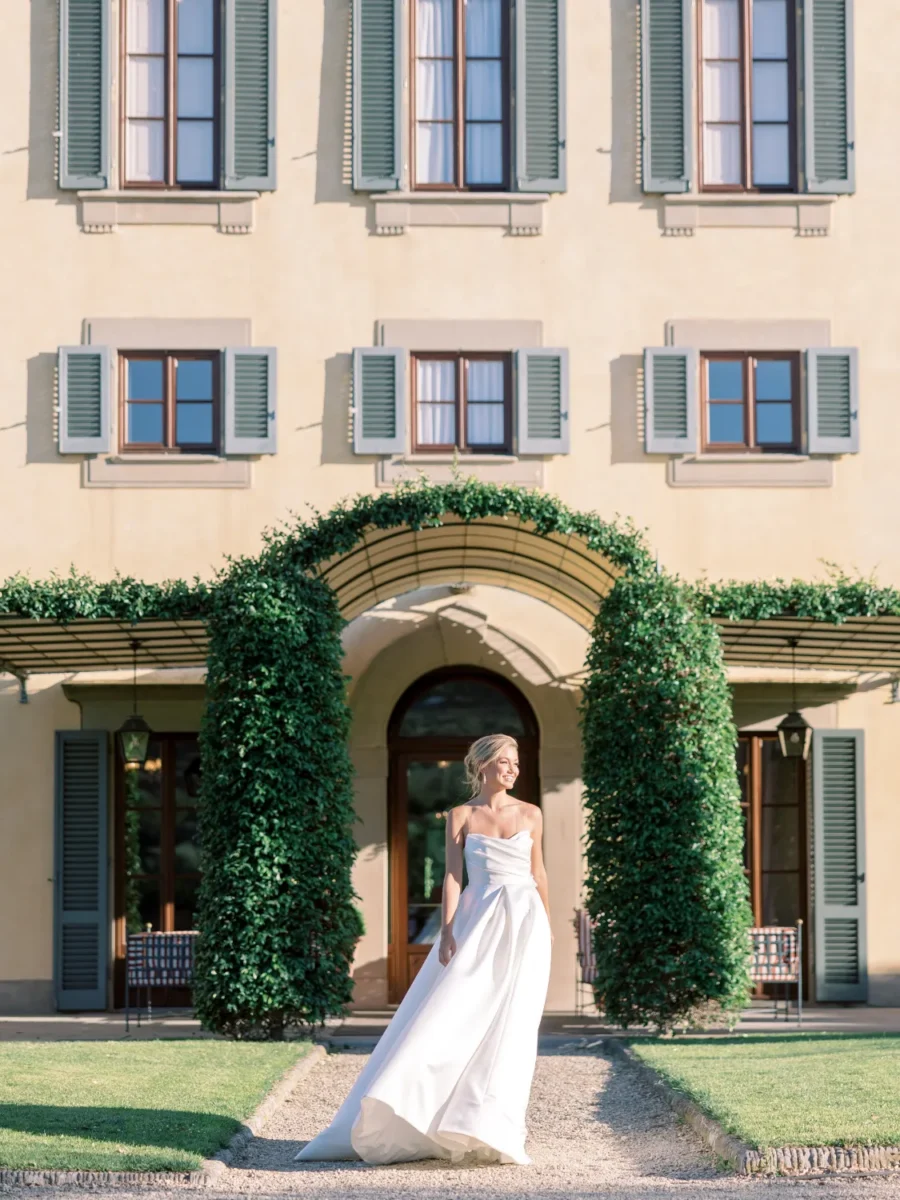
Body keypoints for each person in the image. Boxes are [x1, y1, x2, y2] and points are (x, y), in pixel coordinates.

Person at [295, 733, 552, 1166]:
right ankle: (417, 1110)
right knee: (453, 1013)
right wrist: (447, 932)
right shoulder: (460, 815)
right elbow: (453, 878)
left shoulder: (532, 813)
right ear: (484, 765)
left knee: (514, 1024)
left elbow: (538, 872)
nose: (512, 770)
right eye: (505, 762)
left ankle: (491, 1127)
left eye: (516, 763)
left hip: (525, 924)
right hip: (478, 920)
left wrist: (545, 926)